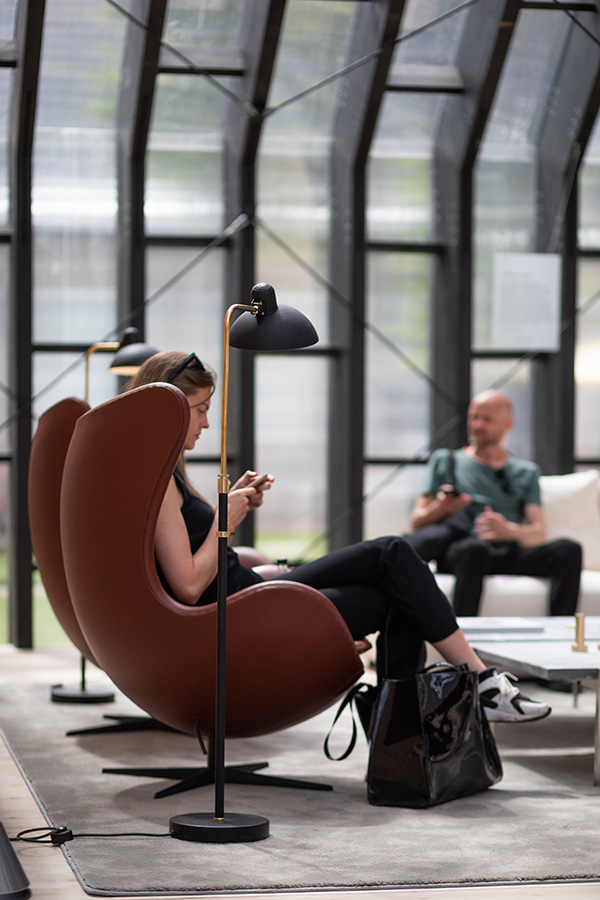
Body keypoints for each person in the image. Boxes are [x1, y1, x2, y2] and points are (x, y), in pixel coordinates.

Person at [126, 352, 551, 723]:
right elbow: (188, 583)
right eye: (198, 410)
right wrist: (226, 518)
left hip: (250, 593)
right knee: (394, 552)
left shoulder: (161, 472)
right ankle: (476, 685)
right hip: (243, 611)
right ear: (171, 410)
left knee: (398, 594)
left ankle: (407, 744)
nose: (204, 422)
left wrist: (243, 522)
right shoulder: (159, 482)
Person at [409, 389, 582, 618]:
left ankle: (559, 634)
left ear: (506, 425)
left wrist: (507, 530)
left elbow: (539, 533)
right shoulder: (446, 460)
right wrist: (440, 508)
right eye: (473, 417)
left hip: (508, 549)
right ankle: (463, 643)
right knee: (474, 549)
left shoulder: (525, 471)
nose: (477, 425)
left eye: (487, 419)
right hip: (465, 549)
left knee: (568, 550)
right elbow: (416, 522)